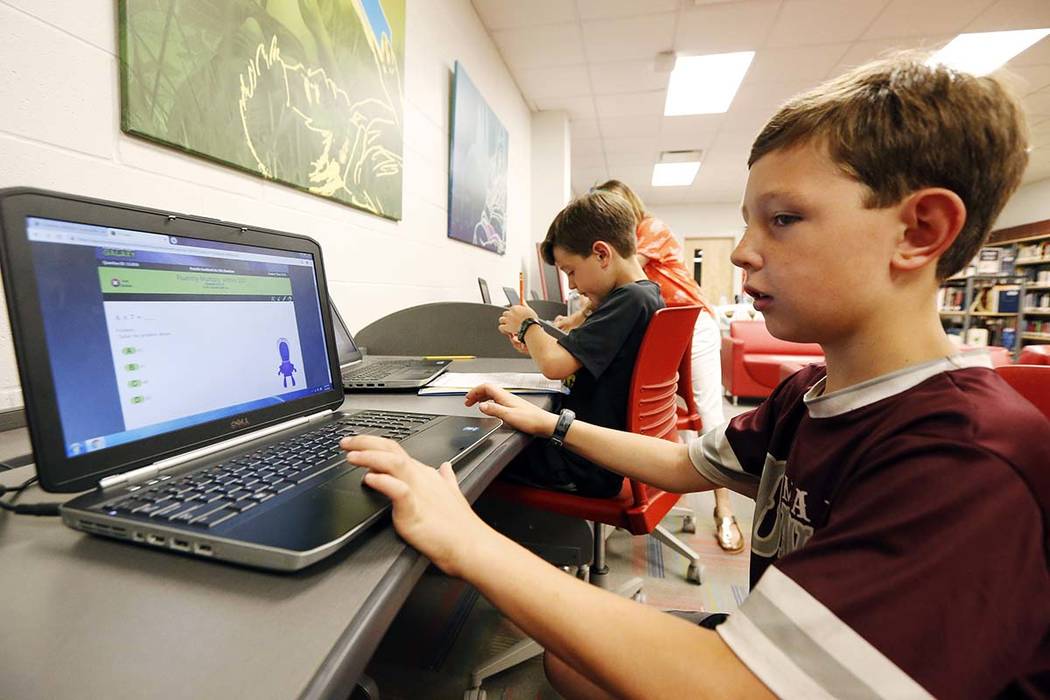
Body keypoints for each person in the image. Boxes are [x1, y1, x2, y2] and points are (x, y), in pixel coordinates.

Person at [341, 55, 1050, 697]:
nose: (742, 253)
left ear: (920, 231)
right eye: (749, 221)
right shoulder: (811, 397)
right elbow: (685, 461)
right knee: (568, 662)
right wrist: (549, 420)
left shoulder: (965, 458)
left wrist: (467, 540)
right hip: (784, 641)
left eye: (784, 219)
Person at [599, 178, 744, 553]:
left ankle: (724, 509)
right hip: (657, 329)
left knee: (708, 413)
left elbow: (624, 275)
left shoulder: (652, 230)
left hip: (691, 325)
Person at [495, 190, 663, 498]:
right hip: (593, 455)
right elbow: (578, 358)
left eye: (571, 271)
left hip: (580, 463)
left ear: (601, 254)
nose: (571, 284)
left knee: (484, 452)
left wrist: (528, 324)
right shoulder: (646, 295)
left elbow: (555, 366)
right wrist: (536, 342)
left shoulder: (629, 299)